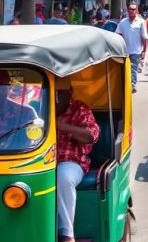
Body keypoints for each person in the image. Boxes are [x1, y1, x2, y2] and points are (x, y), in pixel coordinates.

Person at [54, 77, 99, 242]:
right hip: (40, 162)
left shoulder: (80, 109)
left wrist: (65, 127)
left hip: (72, 162)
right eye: (52, 92)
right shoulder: (39, 107)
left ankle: (66, 233)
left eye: (59, 93)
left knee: (62, 176)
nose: (56, 98)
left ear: (70, 93)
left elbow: (91, 136)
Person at [115, 4, 148, 92]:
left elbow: (144, 37)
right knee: (125, 68)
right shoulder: (123, 22)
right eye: (130, 9)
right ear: (128, 10)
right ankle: (126, 84)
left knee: (133, 68)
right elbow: (118, 34)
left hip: (136, 51)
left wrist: (144, 50)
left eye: (133, 9)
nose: (131, 11)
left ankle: (132, 84)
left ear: (136, 10)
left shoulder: (141, 22)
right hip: (124, 51)